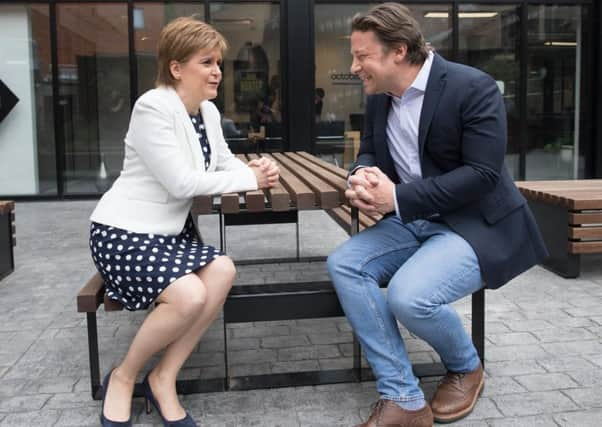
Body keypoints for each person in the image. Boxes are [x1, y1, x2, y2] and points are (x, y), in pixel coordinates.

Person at [326, 4, 548, 427]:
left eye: (362, 56)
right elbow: (372, 149)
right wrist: (362, 174)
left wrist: (397, 198)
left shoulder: (473, 87)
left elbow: (483, 175)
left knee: (409, 297)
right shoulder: (379, 97)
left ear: (399, 51)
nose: (354, 67)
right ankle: (404, 398)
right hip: (416, 219)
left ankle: (467, 366)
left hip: (475, 223)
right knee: (345, 263)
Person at [89, 17, 279, 427]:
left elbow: (224, 162)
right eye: (206, 62)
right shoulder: (152, 107)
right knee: (190, 296)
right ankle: (124, 377)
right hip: (123, 233)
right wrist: (251, 179)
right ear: (176, 68)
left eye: (218, 63)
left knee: (223, 270)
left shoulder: (206, 111)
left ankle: (163, 377)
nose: (217, 72)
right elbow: (181, 184)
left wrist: (256, 166)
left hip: (168, 235)